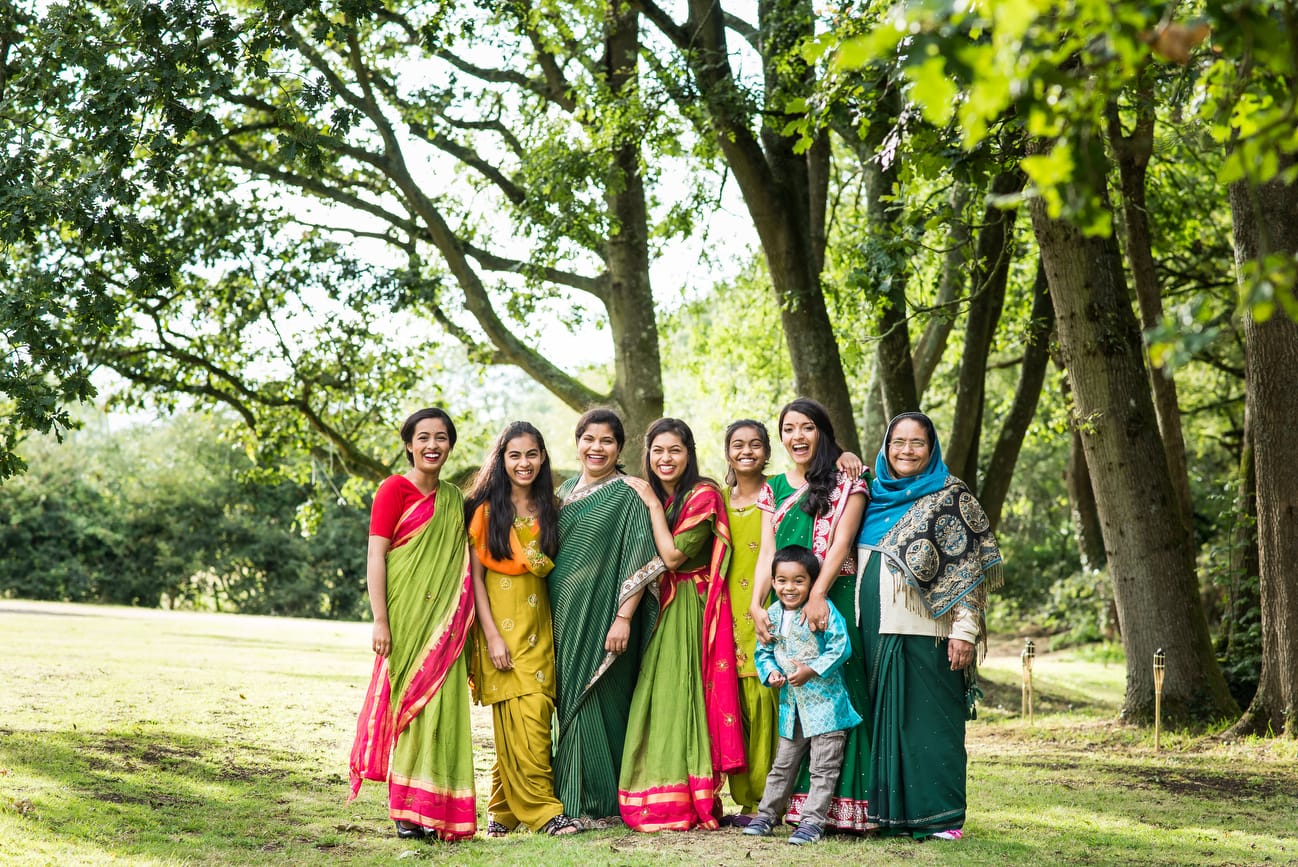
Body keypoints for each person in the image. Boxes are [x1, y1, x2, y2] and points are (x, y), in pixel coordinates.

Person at [856, 411, 1003, 840]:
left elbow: (970, 571)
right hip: (872, 630)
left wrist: (965, 631)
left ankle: (940, 818)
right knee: (884, 726)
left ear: (931, 447)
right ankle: (889, 816)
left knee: (931, 726)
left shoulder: (950, 495)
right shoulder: (869, 496)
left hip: (930, 633)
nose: (906, 450)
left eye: (917, 442)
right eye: (897, 442)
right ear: (885, 447)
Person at [348, 408, 476, 841]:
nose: (432, 446)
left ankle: (436, 805)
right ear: (408, 444)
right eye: (423, 438)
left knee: (440, 708)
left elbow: (461, 560)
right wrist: (380, 620)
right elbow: (376, 556)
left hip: (445, 621)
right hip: (404, 617)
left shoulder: (456, 500)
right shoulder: (393, 490)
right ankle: (406, 811)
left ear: (450, 446)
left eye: (441, 438)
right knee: (407, 705)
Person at [618, 418, 745, 831]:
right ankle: (651, 790)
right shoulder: (647, 492)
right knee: (652, 697)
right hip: (651, 603)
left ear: (688, 453)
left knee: (678, 694)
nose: (665, 458)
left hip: (687, 603)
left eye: (674, 450)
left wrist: (653, 506)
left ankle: (685, 796)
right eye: (657, 451)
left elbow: (673, 558)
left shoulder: (702, 494)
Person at [750, 397, 870, 831]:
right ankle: (793, 807)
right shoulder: (774, 488)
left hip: (831, 594)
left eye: (806, 428)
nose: (796, 436)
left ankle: (845, 809)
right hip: (785, 600)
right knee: (796, 699)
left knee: (839, 689)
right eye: (788, 429)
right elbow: (768, 553)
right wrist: (756, 602)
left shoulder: (848, 481)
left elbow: (840, 544)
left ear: (822, 431)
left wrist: (819, 594)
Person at [550, 409, 666, 823]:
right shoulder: (562, 493)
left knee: (601, 701)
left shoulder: (628, 492)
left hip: (609, 617)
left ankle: (599, 803)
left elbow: (641, 554)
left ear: (619, 447)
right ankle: (566, 798)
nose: (596, 448)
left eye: (607, 441)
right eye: (589, 439)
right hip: (563, 615)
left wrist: (624, 617)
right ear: (577, 441)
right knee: (568, 706)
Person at [464, 422, 579, 838]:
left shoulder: (552, 508)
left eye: (531, 454)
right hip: (500, 630)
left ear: (543, 457)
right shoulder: (487, 511)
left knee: (532, 719)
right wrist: (492, 635)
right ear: (502, 460)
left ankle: (502, 813)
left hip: (540, 627)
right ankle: (545, 813)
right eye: (514, 455)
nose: (523, 463)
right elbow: (475, 579)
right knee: (521, 718)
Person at [744, 545, 862, 846]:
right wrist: (770, 673)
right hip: (792, 708)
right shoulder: (771, 614)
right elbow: (764, 652)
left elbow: (840, 647)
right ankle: (766, 816)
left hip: (827, 707)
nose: (789, 587)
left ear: (812, 582)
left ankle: (812, 823)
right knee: (782, 765)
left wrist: (812, 669)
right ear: (773, 583)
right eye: (782, 580)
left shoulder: (822, 611)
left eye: (799, 580)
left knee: (823, 768)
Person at [719, 419, 780, 824]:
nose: (747, 451)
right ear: (727, 452)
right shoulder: (717, 498)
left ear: (767, 451)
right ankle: (742, 798)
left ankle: (768, 798)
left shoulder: (778, 491)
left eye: (755, 444)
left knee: (765, 698)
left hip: (767, 605)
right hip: (724, 609)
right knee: (734, 703)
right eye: (738, 445)